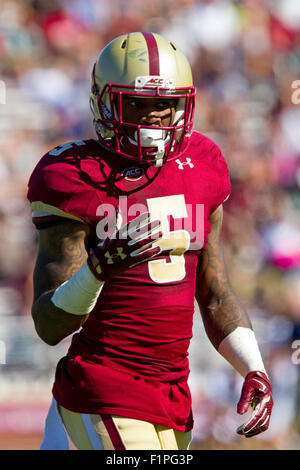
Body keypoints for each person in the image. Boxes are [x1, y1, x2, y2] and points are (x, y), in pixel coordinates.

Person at [27, 32, 273, 450]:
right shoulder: (73, 175)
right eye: (137, 104)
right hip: (104, 385)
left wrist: (254, 367)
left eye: (166, 103)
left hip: (173, 393)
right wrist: (97, 271)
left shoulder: (204, 164)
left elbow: (214, 294)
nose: (155, 117)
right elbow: (49, 325)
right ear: (104, 102)